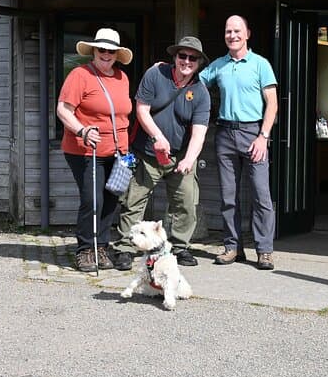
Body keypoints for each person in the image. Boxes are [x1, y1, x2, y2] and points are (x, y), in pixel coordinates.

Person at [112, 36, 210, 271]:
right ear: (174, 57)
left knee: (186, 202)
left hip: (180, 155)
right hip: (147, 153)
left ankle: (180, 246)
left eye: (192, 58)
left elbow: (199, 133)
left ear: (199, 63)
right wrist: (157, 137)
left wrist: (189, 159)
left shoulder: (201, 92)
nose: (186, 61)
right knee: (134, 201)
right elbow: (142, 111)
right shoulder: (155, 75)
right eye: (182, 56)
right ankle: (125, 248)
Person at [198, 15, 279, 270]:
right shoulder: (218, 66)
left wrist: (263, 137)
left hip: (254, 134)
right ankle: (233, 247)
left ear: (247, 34)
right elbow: (192, 81)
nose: (232, 35)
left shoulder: (260, 64)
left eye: (236, 31)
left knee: (261, 195)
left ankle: (264, 251)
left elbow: (273, 104)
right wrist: (167, 70)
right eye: (228, 31)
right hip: (225, 135)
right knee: (229, 197)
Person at [56, 28, 133, 273]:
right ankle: (85, 250)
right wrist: (82, 131)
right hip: (86, 149)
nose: (106, 54)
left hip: (118, 153)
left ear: (117, 54)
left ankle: (101, 246)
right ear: (94, 51)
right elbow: (63, 110)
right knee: (93, 199)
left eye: (111, 51)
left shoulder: (122, 78)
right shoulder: (80, 75)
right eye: (102, 50)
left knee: (111, 200)